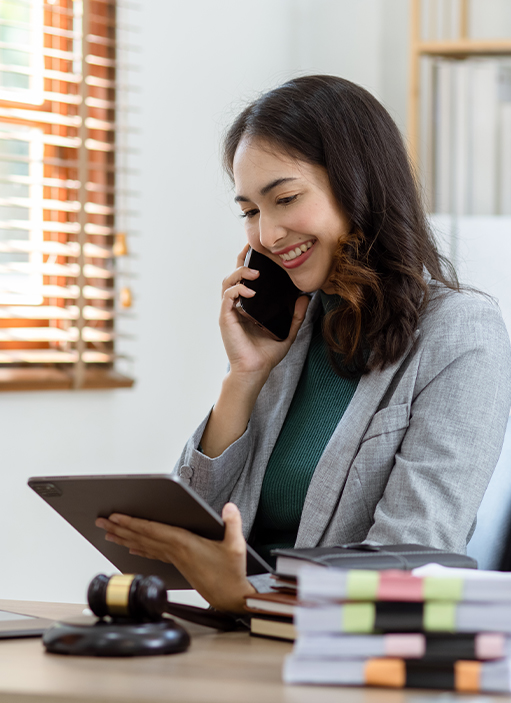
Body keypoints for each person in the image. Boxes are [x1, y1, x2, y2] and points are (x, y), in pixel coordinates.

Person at [96, 75, 511, 614]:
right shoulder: (290, 328)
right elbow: (189, 536)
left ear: (358, 185)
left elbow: (412, 567)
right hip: (230, 640)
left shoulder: (460, 334)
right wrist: (243, 377)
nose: (266, 235)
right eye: (250, 211)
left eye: (285, 198)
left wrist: (247, 599)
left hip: (335, 659)